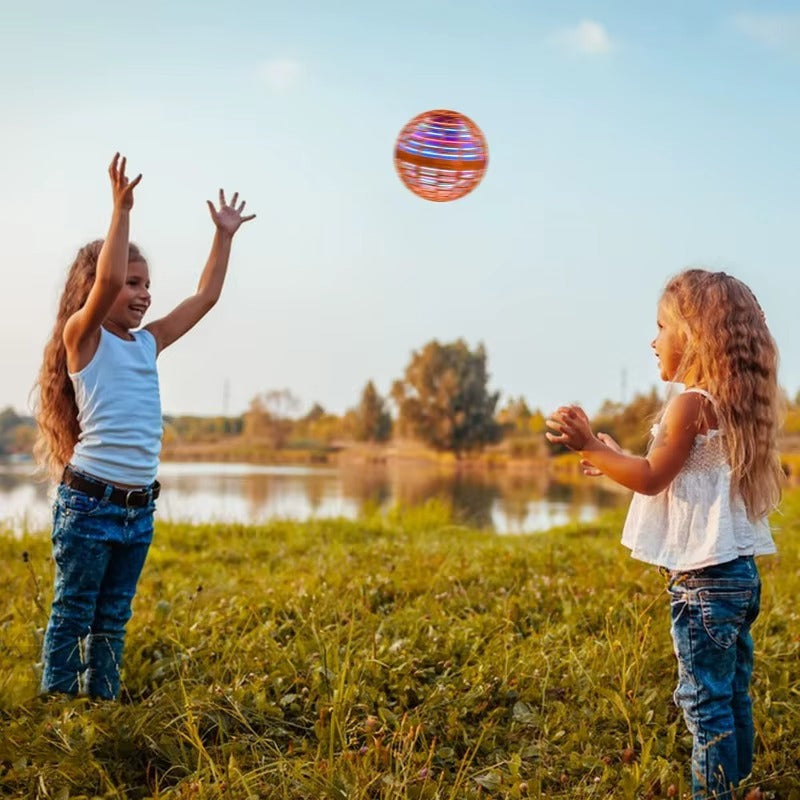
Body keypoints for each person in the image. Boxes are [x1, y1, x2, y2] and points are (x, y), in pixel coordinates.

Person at [546, 269, 783, 799]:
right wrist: (610, 458)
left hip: (702, 583)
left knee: (704, 700)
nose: (653, 341)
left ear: (695, 335)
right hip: (739, 576)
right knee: (731, 689)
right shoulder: (730, 404)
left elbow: (652, 480)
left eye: (660, 327)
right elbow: (670, 470)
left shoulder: (689, 403)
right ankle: (738, 781)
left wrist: (591, 446)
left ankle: (714, 792)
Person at [34, 153, 255, 700]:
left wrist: (223, 237)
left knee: (113, 615)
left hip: (138, 509)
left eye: (147, 284)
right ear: (99, 287)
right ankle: (58, 711)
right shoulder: (83, 337)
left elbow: (204, 298)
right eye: (133, 284)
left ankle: (103, 703)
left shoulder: (148, 342)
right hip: (88, 505)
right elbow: (105, 280)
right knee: (74, 611)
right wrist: (121, 211)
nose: (143, 293)